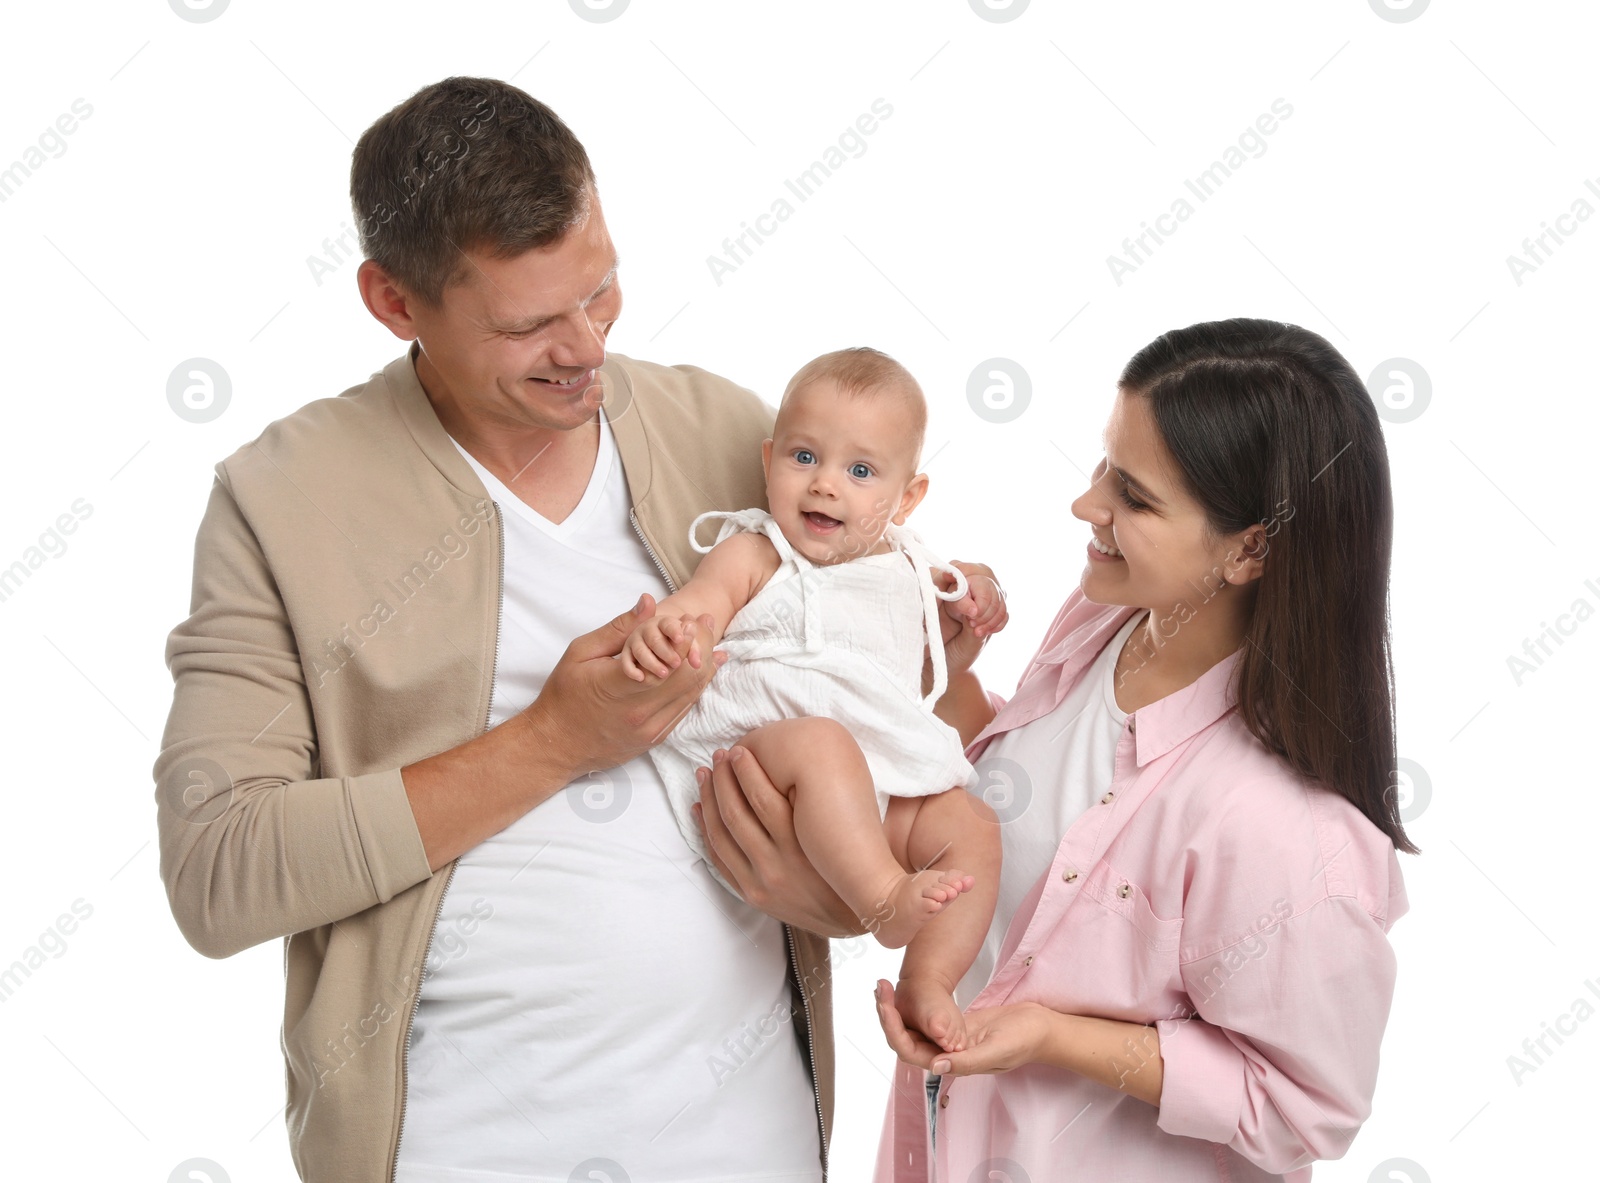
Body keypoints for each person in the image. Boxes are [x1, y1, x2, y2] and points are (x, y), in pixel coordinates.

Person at [151, 76, 1002, 1183]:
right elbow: (220, 874)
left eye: (600, 294)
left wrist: (845, 878)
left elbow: (876, 742)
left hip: (751, 1145)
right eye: (527, 324)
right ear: (392, 301)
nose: (586, 349)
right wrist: (552, 740)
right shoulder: (282, 497)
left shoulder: (731, 433)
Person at [869, 319, 1413, 1180]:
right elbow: (1040, 809)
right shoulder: (1106, 621)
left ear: (1251, 547)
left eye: (1134, 494)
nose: (1088, 506)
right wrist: (950, 678)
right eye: (1102, 466)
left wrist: (1054, 1036)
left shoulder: (1289, 827)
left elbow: (1305, 1107)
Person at [626, 347, 1006, 1052]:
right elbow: (703, 603)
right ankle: (884, 900)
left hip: (876, 784)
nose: (826, 485)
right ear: (770, 458)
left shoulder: (909, 564)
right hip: (769, 760)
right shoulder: (757, 550)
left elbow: (948, 615)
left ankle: (929, 979)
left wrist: (975, 592)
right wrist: (676, 628)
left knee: (974, 827)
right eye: (804, 457)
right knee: (825, 741)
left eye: (860, 471)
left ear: (907, 497)